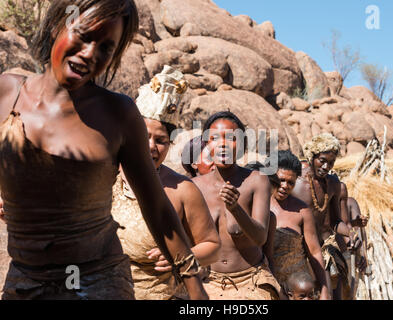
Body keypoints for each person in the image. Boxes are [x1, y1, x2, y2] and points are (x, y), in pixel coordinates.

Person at [0, 0, 207, 300]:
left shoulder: (118, 115)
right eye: (83, 35)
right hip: (26, 280)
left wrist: (195, 289)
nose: (89, 54)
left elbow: (157, 208)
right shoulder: (7, 93)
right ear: (58, 22)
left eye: (105, 48)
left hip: (97, 282)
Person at [111, 66, 220, 300]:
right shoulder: (106, 176)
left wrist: (181, 255)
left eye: (160, 141)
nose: (151, 146)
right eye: (144, 136)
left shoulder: (182, 189)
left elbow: (212, 246)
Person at [193, 111, 282, 300]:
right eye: (214, 138)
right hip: (208, 283)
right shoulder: (196, 186)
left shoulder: (257, 181)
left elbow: (260, 237)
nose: (223, 144)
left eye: (232, 138)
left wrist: (235, 208)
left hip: (250, 280)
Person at [291, 133, 360, 300]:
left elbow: (336, 221)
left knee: (328, 294)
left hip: (322, 250)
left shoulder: (333, 185)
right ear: (312, 156)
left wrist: (350, 233)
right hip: (296, 251)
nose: (326, 166)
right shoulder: (296, 181)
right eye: (322, 160)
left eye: (331, 162)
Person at [267, 150, 330, 300]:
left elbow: (314, 252)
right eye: (280, 180)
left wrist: (325, 290)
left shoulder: (302, 210)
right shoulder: (259, 205)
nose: (285, 186)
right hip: (267, 283)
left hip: (299, 289)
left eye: (291, 183)